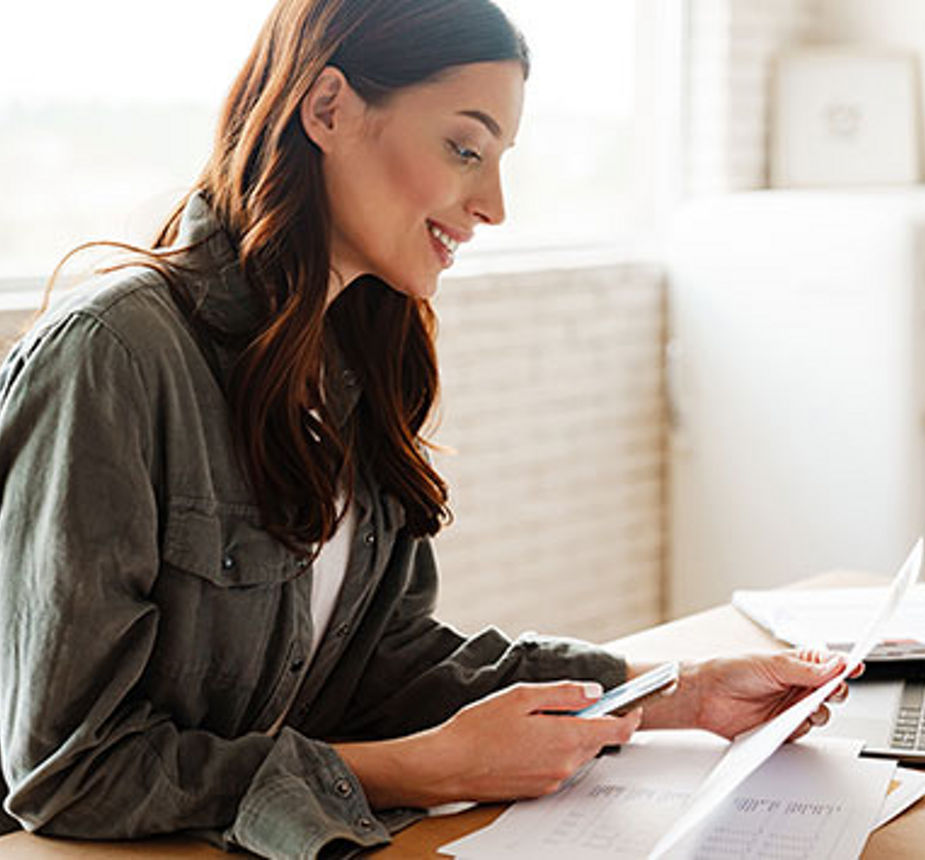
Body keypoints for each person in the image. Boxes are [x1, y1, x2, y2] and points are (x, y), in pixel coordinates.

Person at [0, 1, 856, 857]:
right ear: (328, 108)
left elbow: (388, 664)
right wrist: (423, 769)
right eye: (464, 149)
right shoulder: (113, 356)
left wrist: (676, 695)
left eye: (499, 162)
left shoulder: (357, 357)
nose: (492, 205)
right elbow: (71, 770)